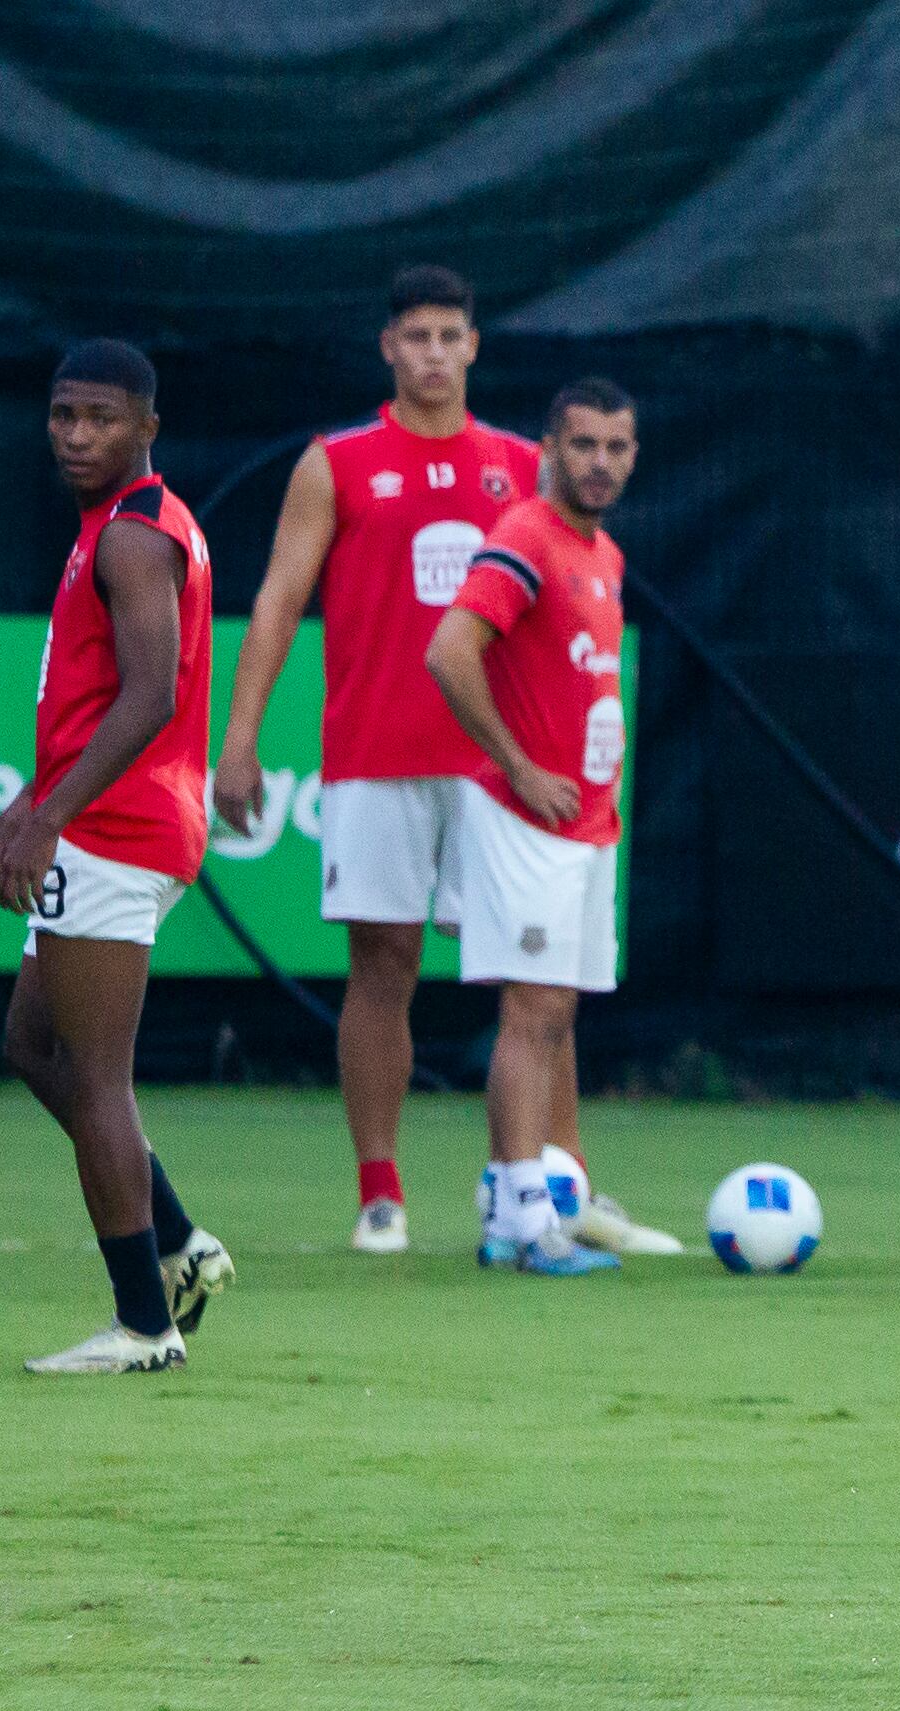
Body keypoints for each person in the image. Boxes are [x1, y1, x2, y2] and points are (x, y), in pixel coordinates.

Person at [215, 266, 675, 1258]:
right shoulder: (337, 461)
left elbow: (572, 590)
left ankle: (564, 1186)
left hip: (500, 772)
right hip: (377, 752)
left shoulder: (523, 463)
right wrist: (240, 739)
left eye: (449, 335)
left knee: (538, 980)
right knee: (383, 965)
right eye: (415, 335)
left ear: (473, 347)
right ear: (389, 346)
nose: (432, 352)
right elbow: (279, 602)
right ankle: (381, 1192)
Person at [0, 341, 235, 1374]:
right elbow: (97, 695)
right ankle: (180, 1243)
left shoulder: (134, 537)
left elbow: (151, 695)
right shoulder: (118, 526)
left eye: (99, 417)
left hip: (120, 831)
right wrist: (33, 799)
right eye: (61, 416)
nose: (77, 435)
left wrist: (54, 819)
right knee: (31, 1046)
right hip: (108, 821)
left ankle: (145, 1325)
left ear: (146, 427)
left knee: (95, 1077)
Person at [423, 378, 644, 1276]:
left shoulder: (604, 554)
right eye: (583, 444)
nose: (599, 462)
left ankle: (517, 1198)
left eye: (617, 447)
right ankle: (521, 1219)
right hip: (528, 816)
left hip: (588, 824)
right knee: (532, 1010)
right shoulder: (524, 537)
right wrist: (516, 762)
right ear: (550, 446)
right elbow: (449, 649)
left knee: (555, 1016)